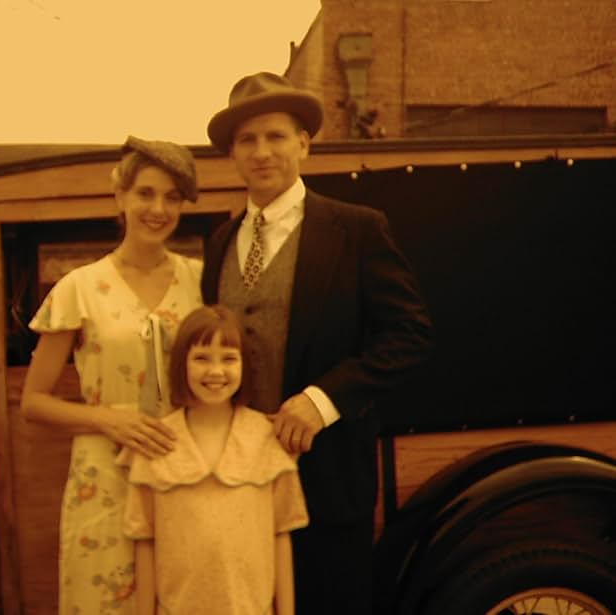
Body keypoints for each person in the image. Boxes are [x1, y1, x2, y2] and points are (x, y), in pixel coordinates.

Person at [201, 72, 435, 614]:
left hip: (327, 483)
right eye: (247, 141)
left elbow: (409, 333)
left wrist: (322, 400)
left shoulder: (355, 230)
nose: (262, 152)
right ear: (233, 154)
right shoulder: (219, 242)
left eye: (276, 136)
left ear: (304, 142)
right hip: (236, 479)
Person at [21, 135, 204, 615]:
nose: (158, 208)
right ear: (119, 196)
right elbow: (33, 402)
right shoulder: (79, 288)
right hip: (105, 473)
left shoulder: (201, 281)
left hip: (184, 464)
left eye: (171, 197)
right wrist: (109, 420)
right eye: (145, 193)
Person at [117, 304, 309, 615]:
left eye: (229, 358)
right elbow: (144, 541)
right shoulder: (155, 443)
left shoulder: (267, 440)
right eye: (202, 358)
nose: (216, 371)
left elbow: (281, 536)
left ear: (245, 365)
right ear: (182, 364)